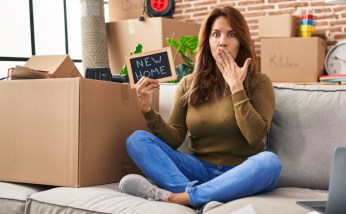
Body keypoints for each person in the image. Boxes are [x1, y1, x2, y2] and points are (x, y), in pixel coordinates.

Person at [119, 5, 281, 210]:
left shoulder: (259, 82)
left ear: (241, 41)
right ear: (208, 41)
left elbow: (255, 136)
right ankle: (199, 194)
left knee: (270, 163)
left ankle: (180, 197)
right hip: (198, 170)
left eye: (231, 34)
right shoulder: (189, 83)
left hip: (240, 172)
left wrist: (236, 88)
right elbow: (175, 138)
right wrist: (148, 111)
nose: (223, 41)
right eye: (216, 34)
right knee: (137, 140)